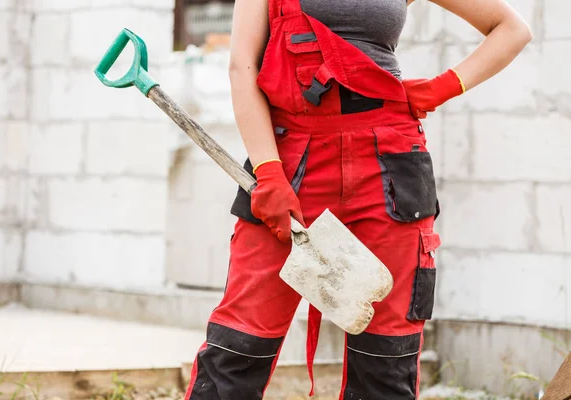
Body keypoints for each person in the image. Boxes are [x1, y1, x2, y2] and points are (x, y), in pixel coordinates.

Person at [184, 0, 532, 398]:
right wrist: (268, 171)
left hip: (389, 167)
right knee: (239, 343)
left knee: (387, 357)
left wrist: (443, 87)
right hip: (289, 161)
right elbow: (241, 67)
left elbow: (511, 28)